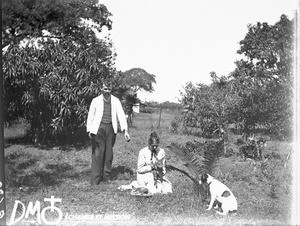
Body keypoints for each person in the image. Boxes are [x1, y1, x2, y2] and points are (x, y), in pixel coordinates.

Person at [86, 80, 130, 185]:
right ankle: (95, 179)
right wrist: (89, 129)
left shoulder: (116, 101)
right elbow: (90, 116)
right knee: (97, 153)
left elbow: (121, 115)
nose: (107, 91)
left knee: (108, 153)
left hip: (111, 129)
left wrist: (125, 131)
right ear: (101, 88)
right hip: (98, 128)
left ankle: (106, 177)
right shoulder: (95, 100)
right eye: (105, 89)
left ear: (111, 89)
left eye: (109, 89)